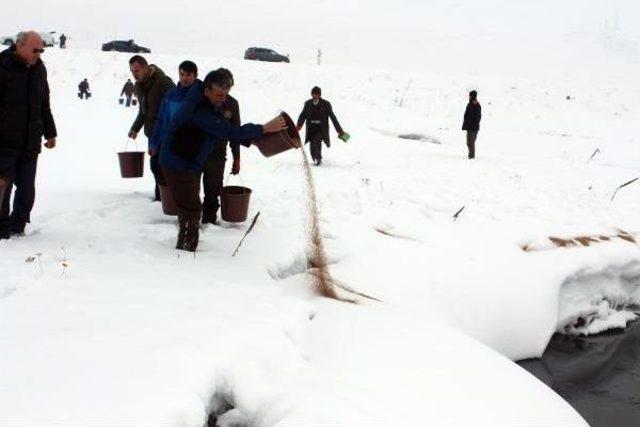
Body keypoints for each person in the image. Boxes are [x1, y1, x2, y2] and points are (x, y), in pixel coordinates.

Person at [157, 68, 287, 251]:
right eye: (219, 95)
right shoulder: (199, 110)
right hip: (177, 163)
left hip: (185, 160)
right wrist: (263, 129)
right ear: (207, 90)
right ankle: (185, 251)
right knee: (191, 208)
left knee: (189, 206)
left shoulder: (203, 99)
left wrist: (253, 139)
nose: (223, 99)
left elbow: (228, 129)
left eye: (225, 94)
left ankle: (186, 244)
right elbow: (228, 131)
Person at [0, 31, 57, 239]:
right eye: (35, 50)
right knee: (2, 188)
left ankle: (18, 226)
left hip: (30, 141)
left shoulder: (39, 69)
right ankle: (1, 229)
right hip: (4, 142)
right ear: (19, 46)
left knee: (26, 189)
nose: (38, 54)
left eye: (41, 50)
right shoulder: (3, 66)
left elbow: (44, 104)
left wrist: (50, 132)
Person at [127, 55, 175, 201]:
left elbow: (175, 106)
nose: (134, 74)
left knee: (164, 166)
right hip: (152, 134)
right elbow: (143, 111)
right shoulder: (138, 86)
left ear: (146, 68)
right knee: (156, 167)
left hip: (167, 134)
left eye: (137, 70)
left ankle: (168, 198)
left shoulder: (163, 82)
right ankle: (161, 197)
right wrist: (135, 128)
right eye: (132, 71)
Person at [201, 68, 241, 225]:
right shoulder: (201, 100)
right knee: (190, 189)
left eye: (228, 88)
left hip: (217, 155)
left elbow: (236, 133)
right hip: (195, 151)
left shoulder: (232, 104)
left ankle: (208, 221)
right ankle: (190, 219)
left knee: (213, 190)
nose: (225, 92)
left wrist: (236, 158)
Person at [296, 86, 346, 166]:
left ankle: (318, 158)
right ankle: (314, 157)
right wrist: (298, 126)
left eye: (317, 94)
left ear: (319, 95)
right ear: (311, 94)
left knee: (317, 140)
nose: (315, 96)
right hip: (311, 128)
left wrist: (339, 130)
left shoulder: (326, 104)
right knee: (312, 143)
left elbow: (333, 117)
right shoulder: (307, 104)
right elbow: (302, 116)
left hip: (321, 128)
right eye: (313, 94)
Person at [462, 90, 481, 159]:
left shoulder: (475, 104)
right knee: (468, 142)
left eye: (470, 95)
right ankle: (470, 154)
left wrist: (472, 124)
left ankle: (471, 156)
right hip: (470, 126)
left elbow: (477, 116)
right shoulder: (470, 104)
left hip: (473, 127)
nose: (469, 97)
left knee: (471, 142)